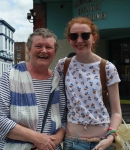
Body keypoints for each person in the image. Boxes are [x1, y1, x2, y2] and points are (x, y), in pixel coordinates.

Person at [0, 28, 67, 150]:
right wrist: (36, 138)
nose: (43, 50)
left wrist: (56, 139)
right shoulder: (11, 75)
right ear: (29, 50)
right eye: (38, 46)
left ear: (55, 53)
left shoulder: (59, 80)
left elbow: (65, 119)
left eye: (49, 47)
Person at [55, 17, 122, 150]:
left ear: (94, 38)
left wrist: (110, 137)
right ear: (69, 39)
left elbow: (116, 112)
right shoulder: (63, 65)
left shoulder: (107, 68)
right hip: (73, 142)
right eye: (74, 36)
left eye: (85, 35)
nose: (79, 40)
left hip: (103, 142)